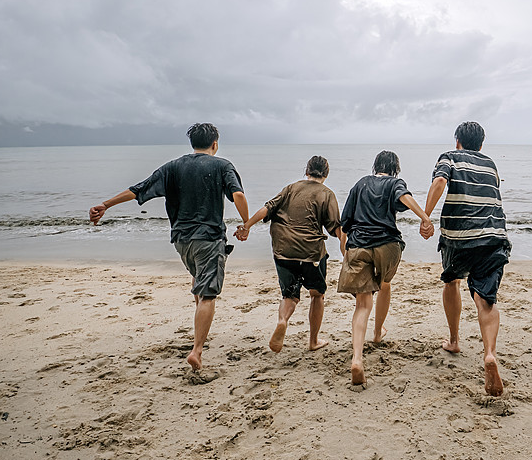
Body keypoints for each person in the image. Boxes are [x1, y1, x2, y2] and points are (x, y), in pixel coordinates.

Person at [89, 123, 249, 372]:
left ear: (192, 144)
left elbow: (138, 190)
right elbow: (238, 195)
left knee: (198, 282)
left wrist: (106, 205)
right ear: (215, 144)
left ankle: (199, 330)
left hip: (181, 240)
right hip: (208, 238)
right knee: (208, 294)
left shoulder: (172, 167)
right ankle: (197, 351)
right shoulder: (222, 165)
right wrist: (246, 224)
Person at [423, 122, 510, 396]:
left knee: (452, 282)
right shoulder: (491, 163)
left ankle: (453, 340)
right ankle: (490, 353)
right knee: (486, 299)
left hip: (459, 237)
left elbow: (440, 182)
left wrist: (426, 216)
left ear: (457, 140)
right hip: (494, 235)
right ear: (481, 144)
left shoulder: (449, 156)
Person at [337, 151, 434, 386]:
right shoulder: (394, 183)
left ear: (375, 166)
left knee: (362, 303)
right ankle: (378, 334)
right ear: (395, 169)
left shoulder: (360, 184)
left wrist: (345, 250)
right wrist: (425, 217)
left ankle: (357, 359)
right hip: (388, 247)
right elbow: (405, 197)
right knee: (385, 284)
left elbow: (344, 225)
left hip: (359, 246)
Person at [235, 156, 341, 353]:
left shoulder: (290, 188)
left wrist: (246, 226)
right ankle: (313, 341)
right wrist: (347, 242)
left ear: (306, 171)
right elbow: (335, 228)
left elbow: (267, 209)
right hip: (311, 253)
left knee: (289, 295)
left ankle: (283, 320)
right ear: (326, 174)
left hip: (284, 251)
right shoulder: (327, 194)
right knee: (317, 295)